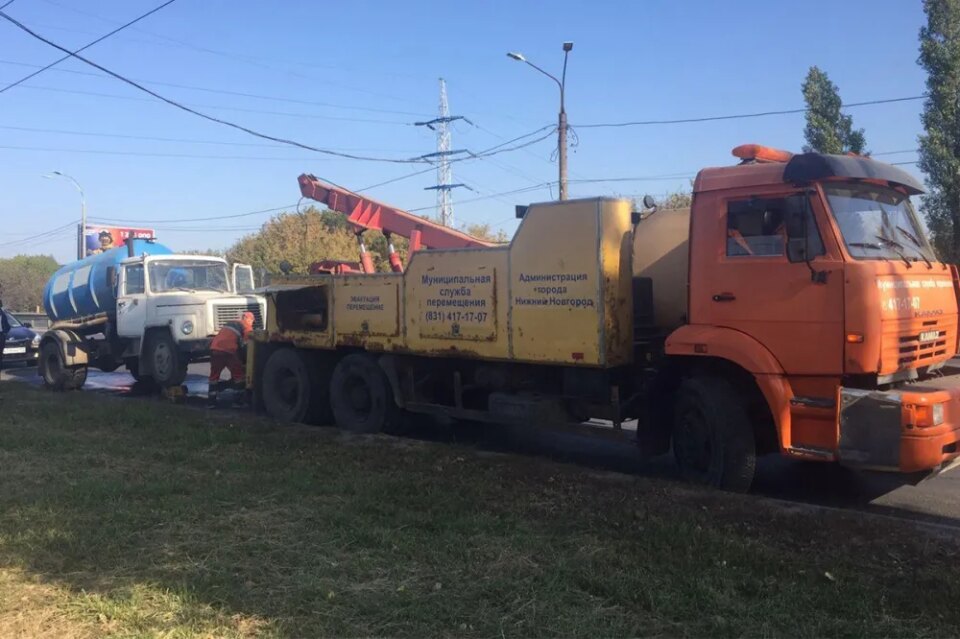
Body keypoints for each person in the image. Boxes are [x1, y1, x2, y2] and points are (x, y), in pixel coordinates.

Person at [207, 311, 255, 408]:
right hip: (229, 351)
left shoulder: (230, 323)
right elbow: (247, 346)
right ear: (248, 319)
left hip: (215, 349)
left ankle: (211, 403)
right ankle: (237, 402)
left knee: (214, 377)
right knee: (238, 376)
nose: (252, 323)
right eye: (252, 321)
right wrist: (246, 360)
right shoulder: (246, 327)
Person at [0, 300, 10, 375]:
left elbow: (7, 326)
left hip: (1, 335)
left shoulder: (3, 314)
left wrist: (5, 332)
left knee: (0, 353)